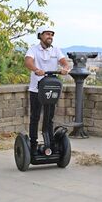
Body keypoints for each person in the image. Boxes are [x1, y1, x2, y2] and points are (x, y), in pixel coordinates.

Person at [24, 25, 69, 153]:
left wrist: (65, 68)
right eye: (47, 34)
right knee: (35, 117)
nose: (50, 36)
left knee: (49, 117)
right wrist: (36, 69)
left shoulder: (55, 50)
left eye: (52, 34)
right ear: (40, 35)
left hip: (50, 88)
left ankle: (50, 143)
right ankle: (33, 144)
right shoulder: (33, 49)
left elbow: (64, 62)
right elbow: (28, 61)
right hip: (36, 89)